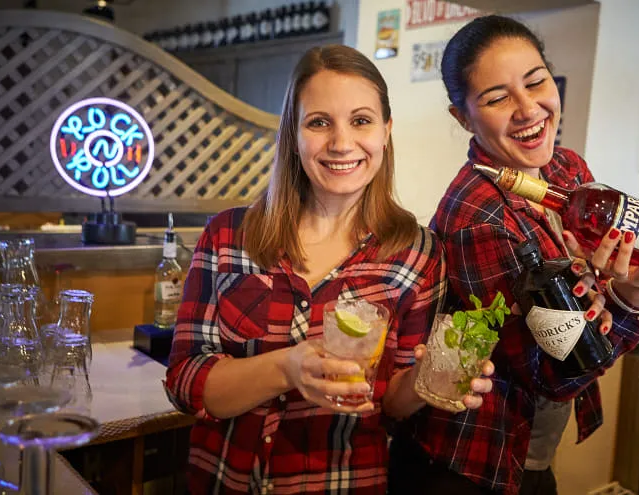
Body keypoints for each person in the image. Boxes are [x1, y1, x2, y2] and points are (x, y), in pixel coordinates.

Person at [165, 44, 493, 495]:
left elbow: (392, 407)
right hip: (225, 482)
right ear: (293, 135)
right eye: (319, 122)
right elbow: (185, 383)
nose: (341, 143)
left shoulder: (418, 253)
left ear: (385, 132)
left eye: (361, 121)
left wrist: (426, 380)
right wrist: (287, 367)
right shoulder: (228, 234)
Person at [389, 16, 639, 495]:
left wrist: (607, 284)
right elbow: (556, 372)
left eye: (536, 82)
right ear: (463, 117)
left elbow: (584, 293)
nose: (528, 109)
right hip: (470, 463)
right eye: (497, 98)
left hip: (530, 454)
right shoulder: (479, 219)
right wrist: (631, 297)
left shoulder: (565, 167)